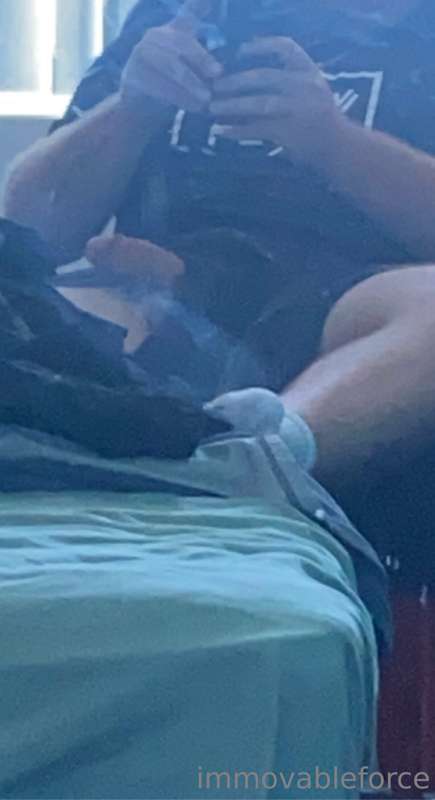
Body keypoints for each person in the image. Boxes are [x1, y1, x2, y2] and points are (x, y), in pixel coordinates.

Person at [4, 0, 435, 499]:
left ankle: (253, 463)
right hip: (149, 291)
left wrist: (334, 142)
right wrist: (130, 109)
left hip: (347, 304)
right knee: (19, 309)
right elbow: (28, 229)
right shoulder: (175, 14)